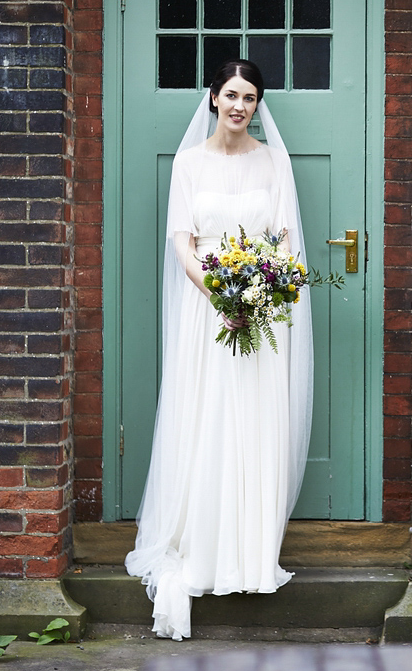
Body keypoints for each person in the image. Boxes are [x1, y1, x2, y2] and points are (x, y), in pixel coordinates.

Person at [125, 59, 314, 640]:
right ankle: (203, 547)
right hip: (206, 316)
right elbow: (183, 244)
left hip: (260, 316)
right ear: (212, 99)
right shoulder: (188, 163)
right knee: (205, 420)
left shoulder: (272, 161)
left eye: (250, 97)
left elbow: (284, 239)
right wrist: (221, 296)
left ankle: (251, 553)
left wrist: (258, 295)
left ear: (258, 106)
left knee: (255, 424)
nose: (239, 105)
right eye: (230, 94)